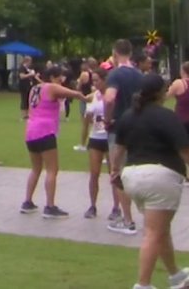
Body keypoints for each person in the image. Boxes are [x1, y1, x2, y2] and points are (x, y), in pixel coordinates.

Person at [110, 73, 189, 289]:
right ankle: (143, 284)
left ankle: (176, 275)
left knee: (160, 229)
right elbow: (186, 150)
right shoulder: (166, 116)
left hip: (132, 176)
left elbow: (118, 149)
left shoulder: (128, 115)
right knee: (154, 232)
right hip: (160, 177)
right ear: (160, 93)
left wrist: (114, 171)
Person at [20, 65, 86, 218]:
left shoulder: (35, 88)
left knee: (35, 168)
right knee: (52, 169)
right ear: (51, 78)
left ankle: (27, 202)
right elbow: (73, 94)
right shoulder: (51, 87)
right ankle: (50, 206)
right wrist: (85, 97)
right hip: (45, 131)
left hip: (31, 131)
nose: (60, 82)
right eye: (58, 78)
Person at [103, 38, 143, 235]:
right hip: (139, 126)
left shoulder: (115, 74)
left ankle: (127, 220)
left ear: (115, 53)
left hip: (119, 127)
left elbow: (109, 98)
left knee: (118, 174)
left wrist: (107, 118)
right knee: (135, 172)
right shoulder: (139, 74)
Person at [83, 67, 119, 220]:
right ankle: (92, 206)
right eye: (94, 80)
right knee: (94, 173)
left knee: (114, 174)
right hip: (96, 137)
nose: (95, 83)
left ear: (105, 80)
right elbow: (87, 118)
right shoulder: (94, 96)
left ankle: (117, 207)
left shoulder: (113, 96)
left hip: (110, 138)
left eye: (98, 80)